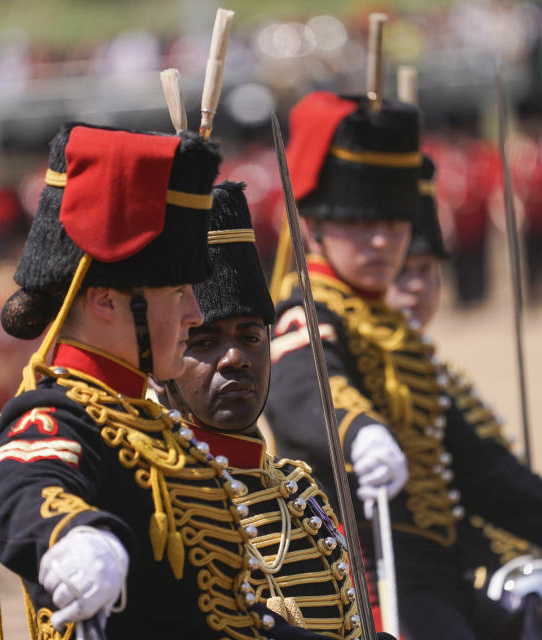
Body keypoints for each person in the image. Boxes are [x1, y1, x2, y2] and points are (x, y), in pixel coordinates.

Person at [265, 92, 542, 640]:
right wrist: (360, 432)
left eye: (395, 227)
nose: (381, 242)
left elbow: (484, 471)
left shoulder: (394, 332)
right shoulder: (310, 313)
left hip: (440, 578)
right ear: (317, 229)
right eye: (360, 224)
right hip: (368, 580)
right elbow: (305, 384)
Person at [0, 122, 330, 640]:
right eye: (176, 292)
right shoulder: (62, 415)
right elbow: (24, 484)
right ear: (105, 301)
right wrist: (70, 534)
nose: (193, 313)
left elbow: (230, 622)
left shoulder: (161, 434)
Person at [156, 180, 388, 639]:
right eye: (204, 342)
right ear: (162, 366)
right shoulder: (162, 501)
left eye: (250, 337)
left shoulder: (298, 486)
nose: (235, 358)